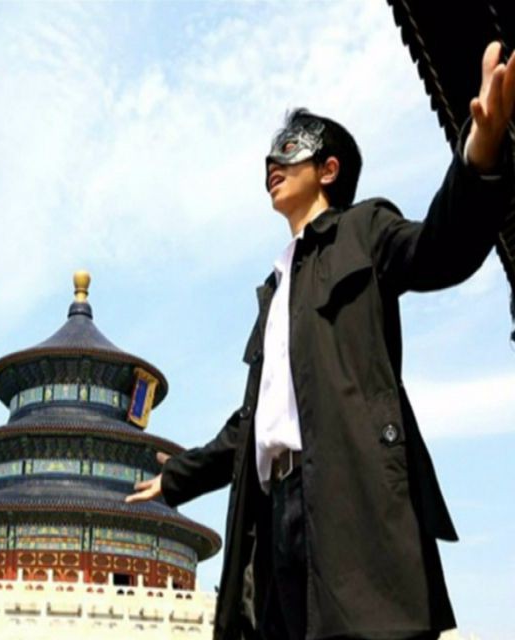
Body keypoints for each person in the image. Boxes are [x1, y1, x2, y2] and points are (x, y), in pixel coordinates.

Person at [126, 41, 515, 640]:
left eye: (289, 149)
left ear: (328, 169)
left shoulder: (365, 230)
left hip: (350, 490)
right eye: (269, 156)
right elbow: (257, 419)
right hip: (275, 509)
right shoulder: (275, 288)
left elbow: (440, 248)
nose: (272, 164)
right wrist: (182, 476)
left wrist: (479, 154)